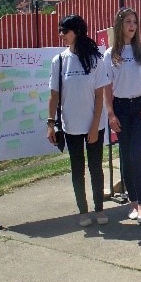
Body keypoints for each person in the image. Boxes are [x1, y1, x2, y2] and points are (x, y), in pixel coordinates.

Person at [47, 14, 110, 227]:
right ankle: (83, 211)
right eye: (60, 30)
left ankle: (99, 208)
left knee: (95, 168)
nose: (61, 35)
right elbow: (54, 95)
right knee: (77, 169)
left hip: (95, 126)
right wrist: (50, 124)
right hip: (71, 125)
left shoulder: (95, 59)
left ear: (78, 32)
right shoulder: (59, 60)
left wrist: (94, 126)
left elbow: (100, 97)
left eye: (65, 31)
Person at [103, 8, 141, 226]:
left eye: (134, 22)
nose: (132, 26)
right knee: (125, 155)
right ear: (120, 25)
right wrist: (110, 114)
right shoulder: (110, 54)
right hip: (121, 108)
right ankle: (132, 203)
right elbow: (107, 87)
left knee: (137, 155)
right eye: (127, 22)